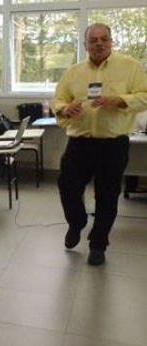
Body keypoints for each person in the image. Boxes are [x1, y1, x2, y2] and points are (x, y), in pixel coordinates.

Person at [53, 23, 147, 266]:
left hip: (112, 145)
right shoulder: (73, 72)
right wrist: (65, 108)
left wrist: (120, 100)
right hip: (79, 143)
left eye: (104, 39)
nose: (99, 43)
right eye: (93, 40)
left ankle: (98, 244)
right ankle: (77, 222)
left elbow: (144, 96)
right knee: (67, 186)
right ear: (85, 44)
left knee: (107, 196)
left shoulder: (130, 67)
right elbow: (59, 99)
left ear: (111, 41)